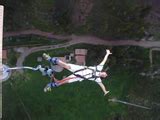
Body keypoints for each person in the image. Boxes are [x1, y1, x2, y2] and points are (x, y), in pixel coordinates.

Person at [43, 49, 112, 95]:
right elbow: (104, 60)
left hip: (77, 77)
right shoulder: (99, 68)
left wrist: (105, 91)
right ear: (103, 72)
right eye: (105, 73)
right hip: (79, 68)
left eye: (104, 76)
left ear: (102, 76)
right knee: (65, 65)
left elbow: (102, 85)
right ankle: (49, 58)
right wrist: (107, 54)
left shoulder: (97, 79)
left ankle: (49, 85)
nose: (104, 74)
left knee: (62, 82)